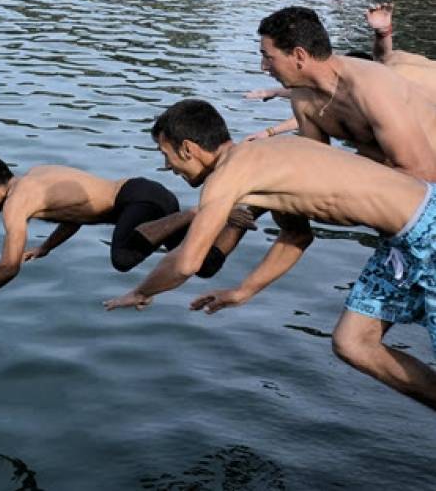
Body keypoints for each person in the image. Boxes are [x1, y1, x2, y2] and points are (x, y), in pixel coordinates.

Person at [105, 99, 436, 411]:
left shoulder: (229, 175)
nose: (167, 166)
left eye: (166, 155)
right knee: (353, 343)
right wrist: (244, 291)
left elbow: (187, 262)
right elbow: (296, 235)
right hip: (400, 243)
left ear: (188, 148)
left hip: (428, 225)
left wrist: (141, 291)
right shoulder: (261, 160)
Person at [0, 153, 252, 304]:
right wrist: (47, 247)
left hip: (135, 201)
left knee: (122, 257)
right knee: (206, 265)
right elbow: (77, 213)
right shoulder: (37, 176)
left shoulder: (16, 204)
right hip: (149, 203)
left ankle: (197, 211)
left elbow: (8, 266)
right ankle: (250, 212)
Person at [254, 6, 436, 180]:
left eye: (268, 57)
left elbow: (422, 172)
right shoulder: (302, 98)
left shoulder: (371, 86)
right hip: (383, 175)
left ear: (299, 55)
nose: (263, 66)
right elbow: (316, 166)